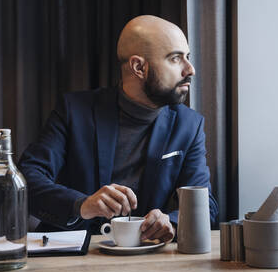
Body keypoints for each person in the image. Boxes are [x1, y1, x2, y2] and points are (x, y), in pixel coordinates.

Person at [18, 15, 219, 242]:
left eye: (188, 57)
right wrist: (81, 205)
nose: (190, 69)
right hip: (75, 253)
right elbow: (26, 179)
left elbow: (205, 205)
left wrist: (170, 222)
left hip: (147, 255)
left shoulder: (189, 125)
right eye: (175, 58)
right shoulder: (74, 111)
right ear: (138, 67)